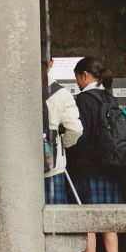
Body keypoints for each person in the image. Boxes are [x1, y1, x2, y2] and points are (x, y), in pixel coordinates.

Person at [65, 56, 123, 252]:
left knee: (87, 216)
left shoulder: (83, 100)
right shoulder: (110, 98)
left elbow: (81, 134)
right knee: (107, 217)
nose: (78, 82)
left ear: (85, 76)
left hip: (88, 167)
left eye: (78, 78)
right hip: (111, 166)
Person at [43, 59, 83, 204]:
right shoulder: (61, 93)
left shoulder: (17, 91)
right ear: (51, 63)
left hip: (21, 171)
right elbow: (76, 129)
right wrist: (63, 143)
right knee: (55, 223)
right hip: (53, 168)